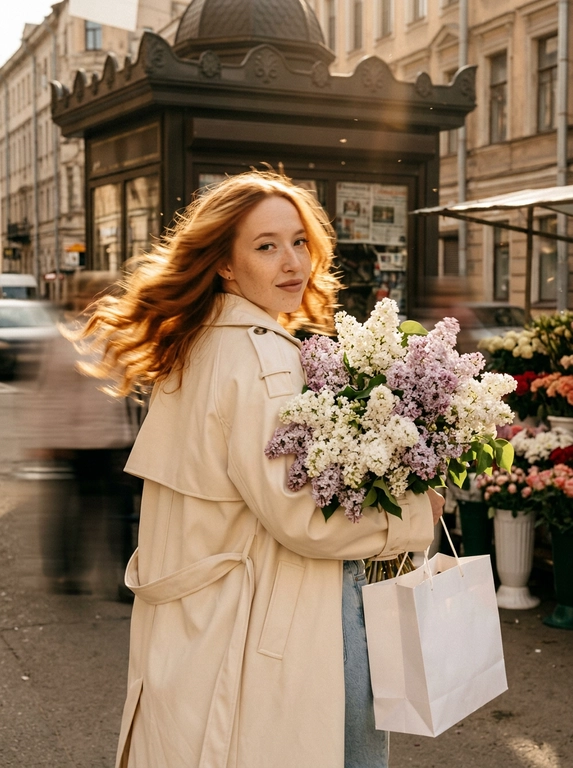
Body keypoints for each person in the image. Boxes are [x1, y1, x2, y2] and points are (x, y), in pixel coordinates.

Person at [71, 171, 444, 768]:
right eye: (266, 246)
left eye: (299, 241)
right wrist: (412, 517)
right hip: (269, 630)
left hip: (203, 627)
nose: (292, 262)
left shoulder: (199, 342)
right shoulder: (264, 358)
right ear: (223, 263)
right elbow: (304, 519)